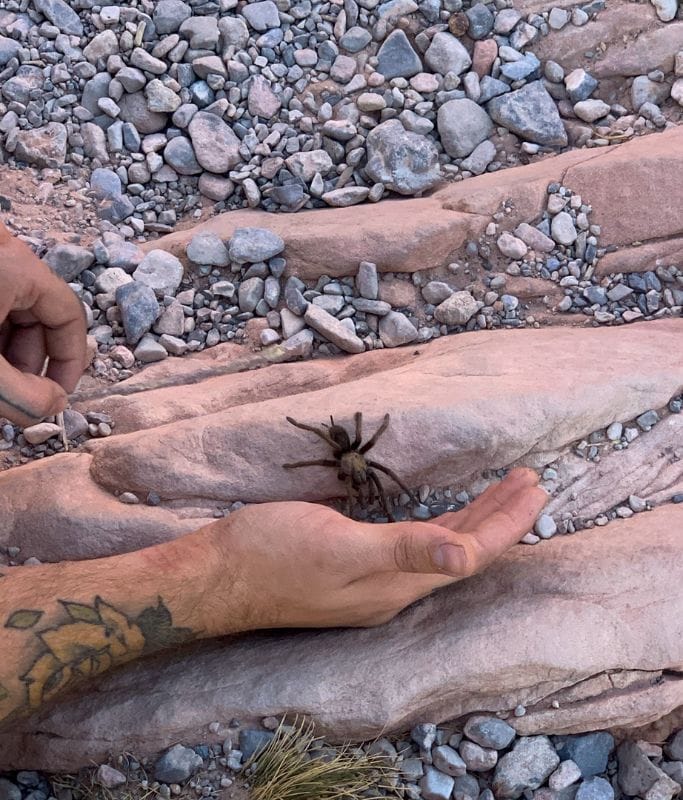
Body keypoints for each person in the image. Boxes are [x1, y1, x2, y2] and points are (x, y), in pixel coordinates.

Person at [0, 222, 547, 726]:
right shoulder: (345, 452)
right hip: (340, 452)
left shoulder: (360, 456)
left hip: (351, 450)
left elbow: (363, 453)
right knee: (361, 473)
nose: (357, 470)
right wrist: (237, 578)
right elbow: (327, 453)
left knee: (370, 476)